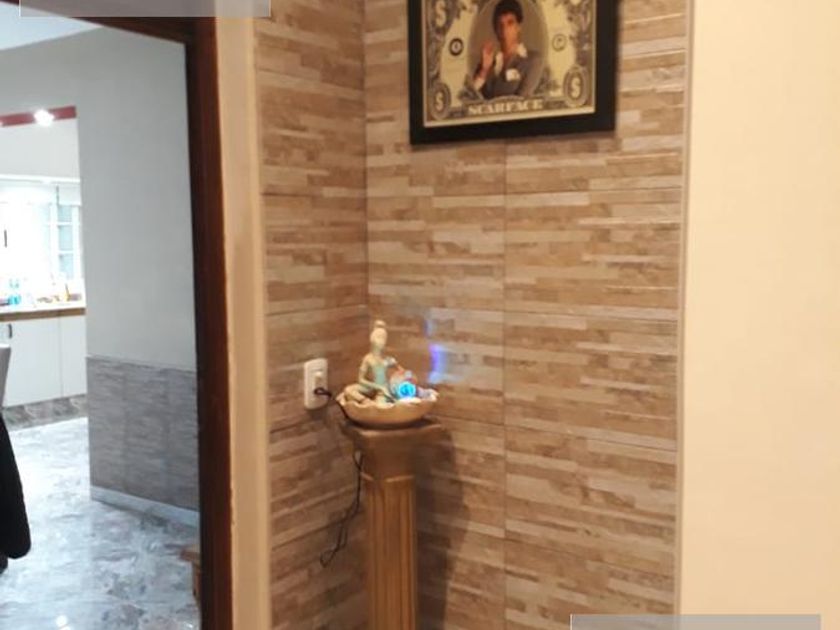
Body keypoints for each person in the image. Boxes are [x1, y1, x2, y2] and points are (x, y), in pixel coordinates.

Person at [472, 0, 541, 99]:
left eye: (510, 23)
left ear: (518, 27)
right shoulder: (488, 63)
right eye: (500, 25)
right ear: (496, 30)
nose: (504, 30)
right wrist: (484, 70)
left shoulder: (533, 61)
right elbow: (471, 95)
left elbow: (523, 100)